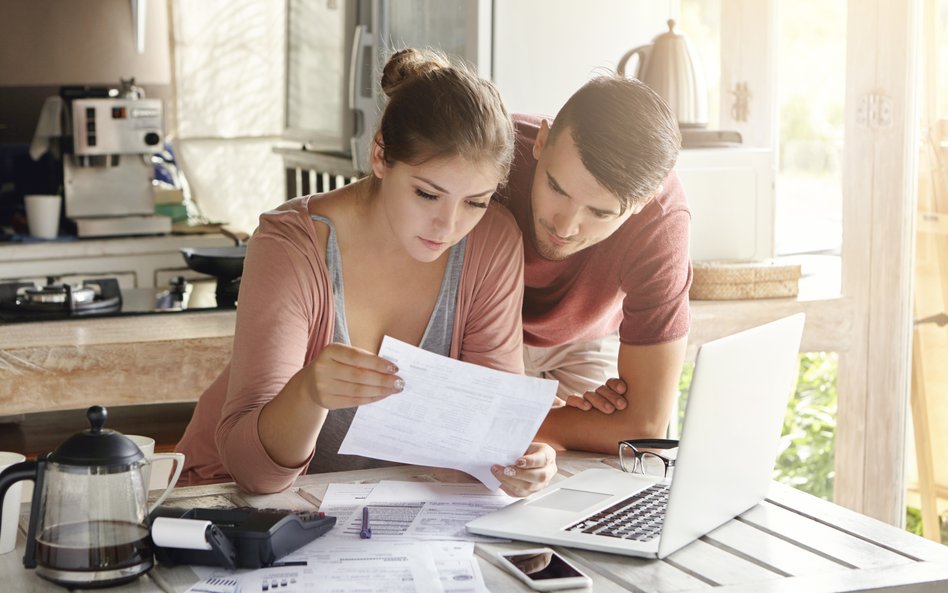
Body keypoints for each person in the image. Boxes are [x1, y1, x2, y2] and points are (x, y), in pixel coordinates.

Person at [176, 49, 556, 497]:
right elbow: (254, 476)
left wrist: (520, 461)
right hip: (230, 504)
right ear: (380, 156)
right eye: (427, 194)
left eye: (474, 201)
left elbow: (484, 435)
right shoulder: (291, 245)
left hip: (376, 515)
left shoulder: (492, 241)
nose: (448, 226)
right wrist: (308, 393)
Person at [498, 76, 691, 454]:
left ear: (643, 203)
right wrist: (540, 420)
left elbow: (645, 429)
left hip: (584, 340)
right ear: (541, 141)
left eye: (600, 212)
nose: (564, 226)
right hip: (480, 331)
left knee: (599, 476)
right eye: (556, 188)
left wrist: (513, 420)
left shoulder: (662, 222)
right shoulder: (492, 151)